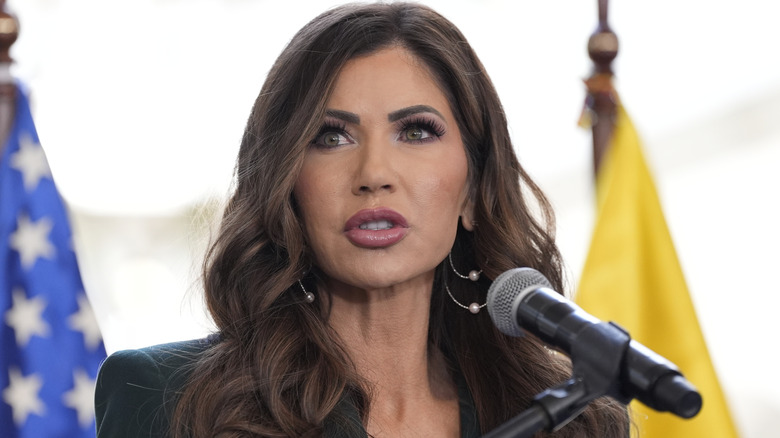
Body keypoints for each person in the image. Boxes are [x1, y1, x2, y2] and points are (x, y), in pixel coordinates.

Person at [94, 2, 630, 437]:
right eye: (331, 136)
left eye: (416, 131)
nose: (374, 173)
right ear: (287, 187)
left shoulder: (575, 420)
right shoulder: (168, 400)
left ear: (472, 190)